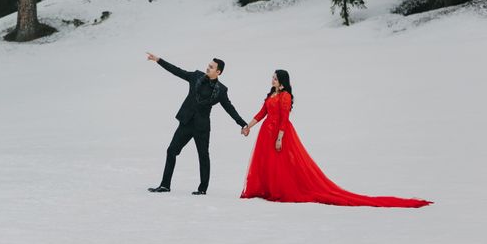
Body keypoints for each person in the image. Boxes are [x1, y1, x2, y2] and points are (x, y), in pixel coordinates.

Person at [240, 69, 431, 208]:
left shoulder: (285, 96)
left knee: (281, 163)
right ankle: (266, 189)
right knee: (268, 162)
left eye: (274, 78)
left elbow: (284, 119)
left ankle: (279, 190)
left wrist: (280, 138)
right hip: (266, 133)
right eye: (272, 77)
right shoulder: (271, 95)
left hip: (279, 133)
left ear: (282, 80)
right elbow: (262, 113)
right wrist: (249, 126)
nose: (272, 80)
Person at [146, 52, 248, 195]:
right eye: (208, 65)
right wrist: (159, 60)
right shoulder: (196, 76)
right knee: (171, 151)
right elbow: (177, 71)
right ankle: (165, 185)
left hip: (202, 127)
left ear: (218, 72)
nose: (208, 68)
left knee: (203, 156)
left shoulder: (221, 90)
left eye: (211, 67)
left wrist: (242, 124)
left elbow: (229, 108)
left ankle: (202, 189)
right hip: (186, 122)